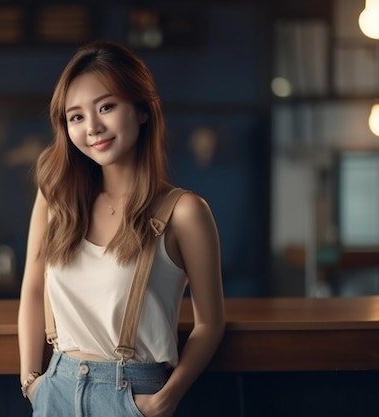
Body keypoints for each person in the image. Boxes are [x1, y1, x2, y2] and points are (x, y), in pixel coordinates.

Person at [17, 40, 225, 417]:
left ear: (142, 110)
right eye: (76, 116)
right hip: (56, 390)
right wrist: (32, 382)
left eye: (106, 107)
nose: (93, 127)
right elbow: (33, 287)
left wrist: (167, 397)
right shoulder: (56, 196)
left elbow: (210, 323)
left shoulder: (185, 213)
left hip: (135, 395)